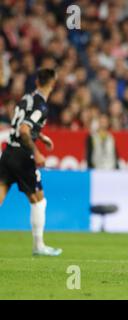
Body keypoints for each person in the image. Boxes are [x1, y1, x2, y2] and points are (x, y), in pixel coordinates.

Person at [0, 68, 62, 256]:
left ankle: (39, 246)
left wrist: (41, 136)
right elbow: (25, 129)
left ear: (37, 82)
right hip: (23, 156)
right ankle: (39, 246)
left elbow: (20, 123)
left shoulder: (27, 98)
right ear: (53, 83)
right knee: (39, 201)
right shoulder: (41, 106)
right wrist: (37, 152)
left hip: (8, 152)